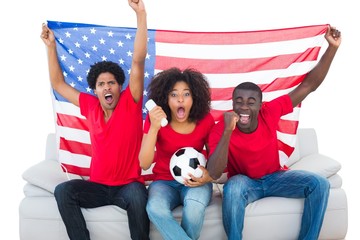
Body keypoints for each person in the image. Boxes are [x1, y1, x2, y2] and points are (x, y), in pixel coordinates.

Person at [206, 25, 341, 240]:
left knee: (319, 184)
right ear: (232, 103)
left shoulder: (270, 112)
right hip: (244, 182)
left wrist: (332, 48)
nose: (244, 107)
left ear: (260, 105)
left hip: (275, 178)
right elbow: (214, 173)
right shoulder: (220, 128)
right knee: (232, 188)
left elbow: (308, 86)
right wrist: (227, 133)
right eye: (239, 101)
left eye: (251, 102)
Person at [40, 0, 149, 239]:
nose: (107, 87)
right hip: (97, 187)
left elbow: (138, 61)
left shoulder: (130, 101)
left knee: (137, 195)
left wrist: (141, 15)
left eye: (112, 82)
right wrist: (50, 48)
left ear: (120, 86)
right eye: (101, 84)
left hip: (129, 186)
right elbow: (58, 84)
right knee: (63, 192)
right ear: (96, 90)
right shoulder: (90, 106)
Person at [139, 67, 215, 240]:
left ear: (195, 97)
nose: (180, 99)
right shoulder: (154, 120)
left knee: (194, 207)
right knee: (154, 208)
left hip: (196, 181)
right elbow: (144, 163)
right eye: (173, 94)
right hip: (164, 183)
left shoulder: (206, 120)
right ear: (165, 98)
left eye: (186, 94)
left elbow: (214, 159)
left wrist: (208, 176)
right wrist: (154, 127)